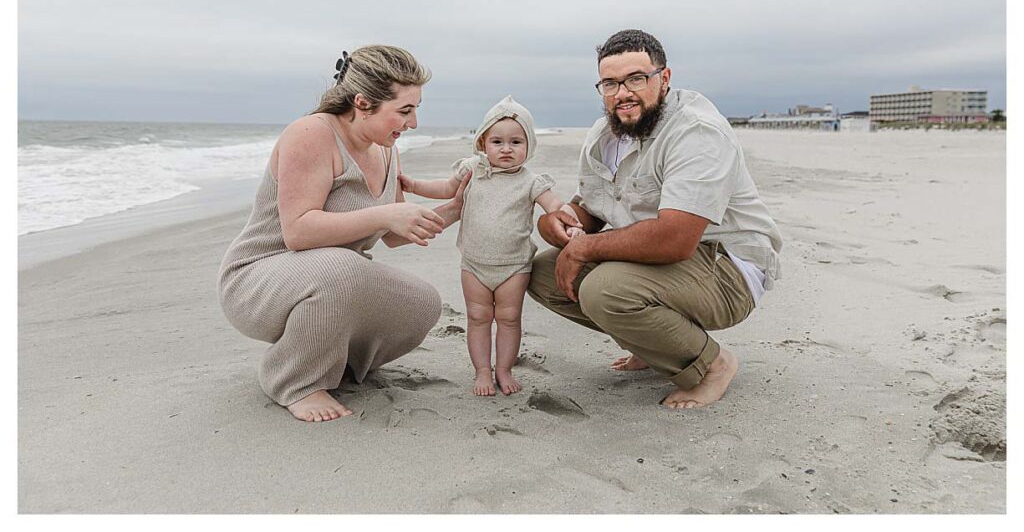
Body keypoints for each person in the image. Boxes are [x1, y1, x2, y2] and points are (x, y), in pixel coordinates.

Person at [527, 29, 783, 409]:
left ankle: (713, 365)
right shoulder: (605, 134)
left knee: (605, 290)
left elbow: (675, 239)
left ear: (664, 79)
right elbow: (593, 211)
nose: (622, 93)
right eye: (610, 83)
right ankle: (650, 345)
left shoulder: (696, 131)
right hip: (664, 260)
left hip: (727, 264)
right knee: (541, 273)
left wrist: (584, 247)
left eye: (636, 79)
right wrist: (556, 222)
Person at [218, 45, 468, 423]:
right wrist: (386, 212)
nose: (413, 123)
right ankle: (294, 380)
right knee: (344, 269)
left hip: (334, 277)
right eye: (404, 111)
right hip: (258, 278)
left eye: (416, 109)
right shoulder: (311, 133)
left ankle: (338, 362)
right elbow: (298, 231)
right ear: (363, 103)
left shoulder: (385, 148)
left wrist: (458, 207)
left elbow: (395, 234)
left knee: (423, 303)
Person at [400, 95, 582, 397]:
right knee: (478, 317)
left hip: (514, 267)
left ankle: (504, 369)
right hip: (474, 264)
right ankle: (483, 370)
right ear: (483, 142)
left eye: (516, 142)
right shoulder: (472, 170)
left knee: (509, 319)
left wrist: (572, 222)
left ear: (529, 146)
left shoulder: (531, 181)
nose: (506, 149)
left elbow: (556, 206)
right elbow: (445, 189)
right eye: (497, 141)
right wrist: (415, 185)